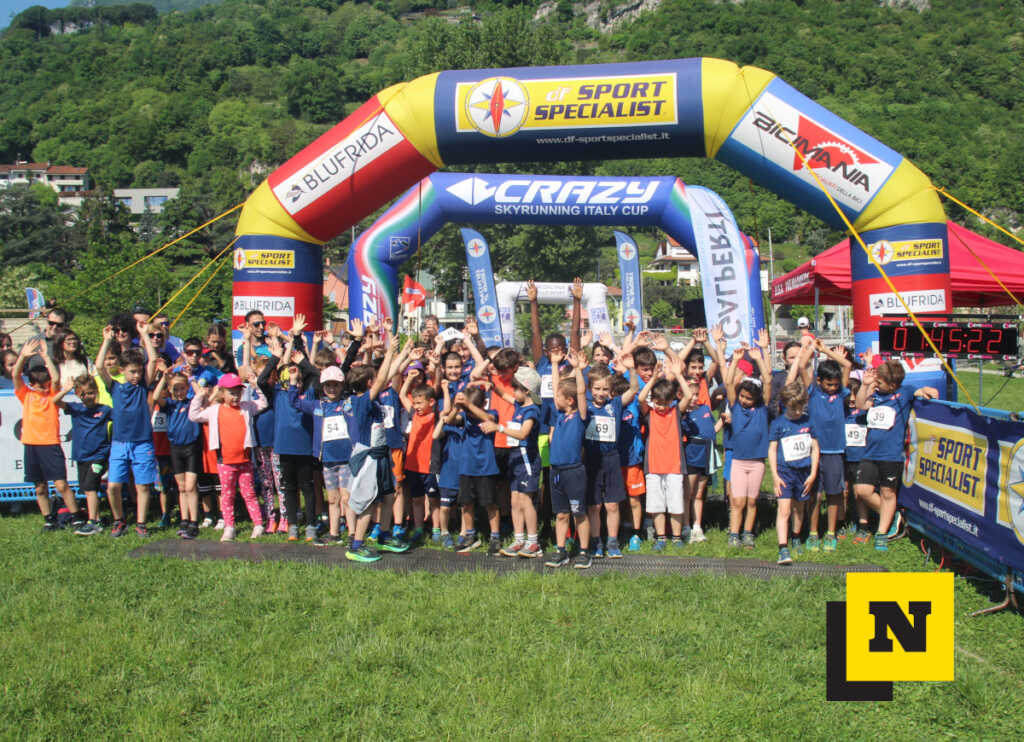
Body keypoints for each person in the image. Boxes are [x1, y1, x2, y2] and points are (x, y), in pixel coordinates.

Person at [853, 359, 937, 551]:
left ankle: (882, 533)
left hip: (891, 455)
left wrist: (928, 391)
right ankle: (893, 515)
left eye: (880, 382)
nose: (877, 384)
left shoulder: (904, 392)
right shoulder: (875, 395)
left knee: (887, 493)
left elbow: (923, 392)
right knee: (862, 490)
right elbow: (860, 405)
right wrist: (866, 385)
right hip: (870, 452)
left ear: (892, 385)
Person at [96, 321, 160, 537]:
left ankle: (141, 523)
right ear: (122, 370)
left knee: (143, 485)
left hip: (142, 442)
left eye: (139, 372)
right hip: (119, 443)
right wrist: (106, 341)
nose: (136, 376)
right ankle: (119, 520)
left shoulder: (143, 386)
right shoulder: (115, 387)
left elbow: (153, 361)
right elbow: (99, 367)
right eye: (132, 372)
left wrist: (144, 334)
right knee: (113, 486)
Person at [789, 336, 853, 552]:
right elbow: (802, 366)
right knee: (815, 494)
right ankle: (814, 532)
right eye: (829, 384)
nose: (833, 388)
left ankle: (831, 533)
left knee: (834, 493)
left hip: (835, 450)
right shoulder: (813, 391)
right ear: (819, 381)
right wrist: (811, 348)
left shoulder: (841, 392)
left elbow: (847, 365)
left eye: (835, 385)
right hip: (815, 452)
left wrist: (826, 350)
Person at [13, 339, 84, 530]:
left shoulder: (52, 394)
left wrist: (45, 356)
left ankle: (76, 516)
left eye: (46, 385)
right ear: (32, 384)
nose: (45, 388)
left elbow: (55, 378)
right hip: (31, 445)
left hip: (50, 444)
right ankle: (49, 518)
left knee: (61, 485)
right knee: (40, 487)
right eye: (41, 386)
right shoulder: (26, 395)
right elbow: (16, 375)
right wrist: (23, 357)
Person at [189, 372, 267, 542]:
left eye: (238, 393)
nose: (235, 397)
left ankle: (258, 524)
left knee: (249, 493)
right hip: (225, 461)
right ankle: (229, 526)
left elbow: (263, 403)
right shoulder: (214, 410)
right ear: (222, 393)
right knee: (227, 495)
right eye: (231, 393)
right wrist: (199, 396)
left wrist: (256, 387)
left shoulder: (247, 407)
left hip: (244, 460)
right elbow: (193, 415)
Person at [717, 330, 772, 549]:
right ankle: (734, 534)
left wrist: (762, 355)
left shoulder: (762, 409)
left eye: (749, 398)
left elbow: (768, 380)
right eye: (742, 397)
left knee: (751, 501)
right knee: (738, 501)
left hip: (757, 462)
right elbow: (729, 383)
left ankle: (748, 533)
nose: (745, 400)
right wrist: (735, 361)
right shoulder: (736, 407)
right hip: (739, 462)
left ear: (757, 398)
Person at [582, 352, 639, 559]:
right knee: (595, 505)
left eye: (605, 389)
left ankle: (612, 542)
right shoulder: (586, 407)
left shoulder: (614, 405)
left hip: (612, 458)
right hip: (592, 458)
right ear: (590, 389)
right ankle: (596, 541)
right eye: (597, 389)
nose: (601, 393)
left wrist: (631, 369)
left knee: (612, 504)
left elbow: (634, 389)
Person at [289, 365, 353, 547]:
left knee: (347, 498)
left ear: (342, 386)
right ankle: (334, 534)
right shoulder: (318, 405)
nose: (332, 389)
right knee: (332, 499)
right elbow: (294, 402)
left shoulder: (348, 404)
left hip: (347, 460)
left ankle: (353, 534)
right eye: (328, 385)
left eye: (336, 385)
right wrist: (293, 381)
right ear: (322, 387)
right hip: (328, 461)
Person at [543, 349, 591, 569]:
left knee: (579, 513)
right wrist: (554, 365)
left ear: (569, 400)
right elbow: (557, 388)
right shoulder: (560, 415)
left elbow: (581, 392)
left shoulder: (580, 416)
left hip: (574, 471)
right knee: (561, 514)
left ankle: (584, 551)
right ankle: (561, 550)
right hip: (556, 471)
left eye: (559, 397)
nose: (555, 398)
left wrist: (579, 370)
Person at [637, 360, 691, 551]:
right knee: (656, 504)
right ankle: (661, 537)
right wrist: (653, 379)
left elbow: (689, 395)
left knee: (675, 504)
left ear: (672, 401)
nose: (661, 407)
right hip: (653, 466)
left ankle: (676, 537)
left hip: (674, 466)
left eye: (665, 403)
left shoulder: (675, 412)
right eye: (658, 403)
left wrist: (678, 375)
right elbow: (641, 399)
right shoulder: (649, 413)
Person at [490, 366, 543, 558]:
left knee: (526, 501)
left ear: (526, 390)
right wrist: (491, 384)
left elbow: (523, 433)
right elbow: (504, 394)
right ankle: (519, 539)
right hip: (515, 458)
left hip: (527, 459)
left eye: (516, 389)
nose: (513, 392)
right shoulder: (520, 405)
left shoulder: (532, 410)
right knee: (514, 501)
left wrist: (499, 428)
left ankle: (533, 541)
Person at [768, 381, 819, 565]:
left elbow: (815, 448)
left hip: (803, 472)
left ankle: (796, 536)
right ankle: (783, 548)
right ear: (785, 405)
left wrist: (813, 474)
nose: (797, 412)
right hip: (785, 472)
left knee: (799, 508)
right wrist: (775, 476)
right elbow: (772, 450)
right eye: (793, 408)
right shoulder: (778, 424)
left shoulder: (808, 421)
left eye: (800, 408)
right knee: (784, 510)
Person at [152, 371, 202, 539]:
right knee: (181, 487)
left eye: (182, 388)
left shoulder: (191, 403)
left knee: (190, 487)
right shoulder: (170, 405)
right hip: (175, 449)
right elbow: (156, 396)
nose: (179, 392)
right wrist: (164, 379)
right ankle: (184, 519)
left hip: (191, 448)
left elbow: (201, 394)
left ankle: (194, 522)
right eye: (176, 389)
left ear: (187, 388)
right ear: (171, 390)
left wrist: (191, 378)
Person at [62, 376, 113, 535]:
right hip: (81, 456)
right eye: (83, 394)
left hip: (99, 456)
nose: (88, 396)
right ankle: (97, 518)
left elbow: (122, 419)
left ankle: (93, 522)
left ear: (96, 392)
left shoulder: (105, 410)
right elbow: (54, 401)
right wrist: (66, 390)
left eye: (91, 392)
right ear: (78, 394)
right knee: (87, 488)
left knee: (91, 487)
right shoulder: (76, 408)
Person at [399, 356, 437, 546]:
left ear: (431, 402)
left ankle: (437, 529)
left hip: (429, 465)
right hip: (413, 464)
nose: (416, 406)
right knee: (416, 499)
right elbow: (402, 395)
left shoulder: (435, 415)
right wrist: (409, 379)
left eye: (420, 403)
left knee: (433, 499)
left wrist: (434, 368)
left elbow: (435, 388)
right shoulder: (414, 413)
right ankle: (419, 528)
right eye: (414, 403)